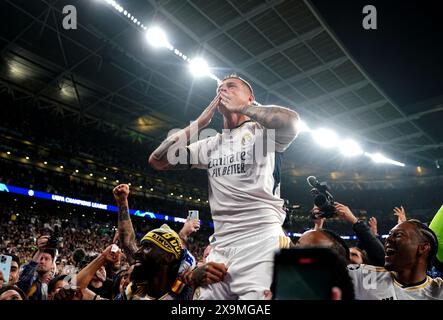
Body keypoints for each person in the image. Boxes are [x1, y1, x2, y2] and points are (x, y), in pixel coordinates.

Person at [148, 74, 300, 299]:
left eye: (231, 86)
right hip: (220, 246)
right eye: (219, 88)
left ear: (250, 98)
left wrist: (246, 108)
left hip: (262, 240)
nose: (222, 90)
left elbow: (292, 122)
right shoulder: (211, 144)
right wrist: (199, 124)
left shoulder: (264, 132)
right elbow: (158, 161)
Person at [112, 184, 226, 299]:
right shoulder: (134, 290)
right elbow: (128, 243)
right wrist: (122, 203)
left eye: (147, 247)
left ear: (168, 258)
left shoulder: (187, 293)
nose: (137, 252)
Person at [349, 219, 443, 299]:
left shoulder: (438, 291)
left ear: (423, 248)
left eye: (398, 235)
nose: (388, 239)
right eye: (390, 234)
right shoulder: (367, 277)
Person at [16, 236, 57, 300]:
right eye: (40, 258)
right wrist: (40, 251)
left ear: (52, 264)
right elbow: (25, 281)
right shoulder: (27, 283)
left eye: (46, 259)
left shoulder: (56, 284)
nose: (42, 261)